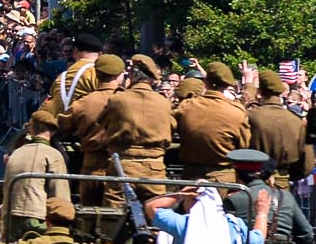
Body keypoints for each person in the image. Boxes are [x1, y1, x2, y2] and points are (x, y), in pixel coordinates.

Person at [100, 53, 176, 196]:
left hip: (123, 166)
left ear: (133, 75)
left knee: (114, 212)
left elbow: (103, 123)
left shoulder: (117, 99)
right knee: (156, 212)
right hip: (155, 167)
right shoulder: (164, 103)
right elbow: (172, 127)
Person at [172, 61, 250, 184]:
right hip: (223, 178)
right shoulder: (237, 112)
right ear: (227, 85)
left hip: (191, 177)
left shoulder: (186, 106)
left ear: (205, 83)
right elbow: (244, 146)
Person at [0, 110, 71, 241]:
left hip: (10, 219)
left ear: (32, 130)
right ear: (52, 131)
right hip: (37, 219)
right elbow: (60, 195)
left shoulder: (16, 153)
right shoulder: (53, 155)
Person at [54, 53, 123, 177]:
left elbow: (59, 126)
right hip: (121, 167)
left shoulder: (82, 103)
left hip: (91, 167)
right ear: (118, 75)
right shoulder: (129, 101)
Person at [246, 69, 308, 182]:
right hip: (283, 182)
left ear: (259, 92)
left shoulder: (252, 116)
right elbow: (306, 164)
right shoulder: (296, 121)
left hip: (255, 179)